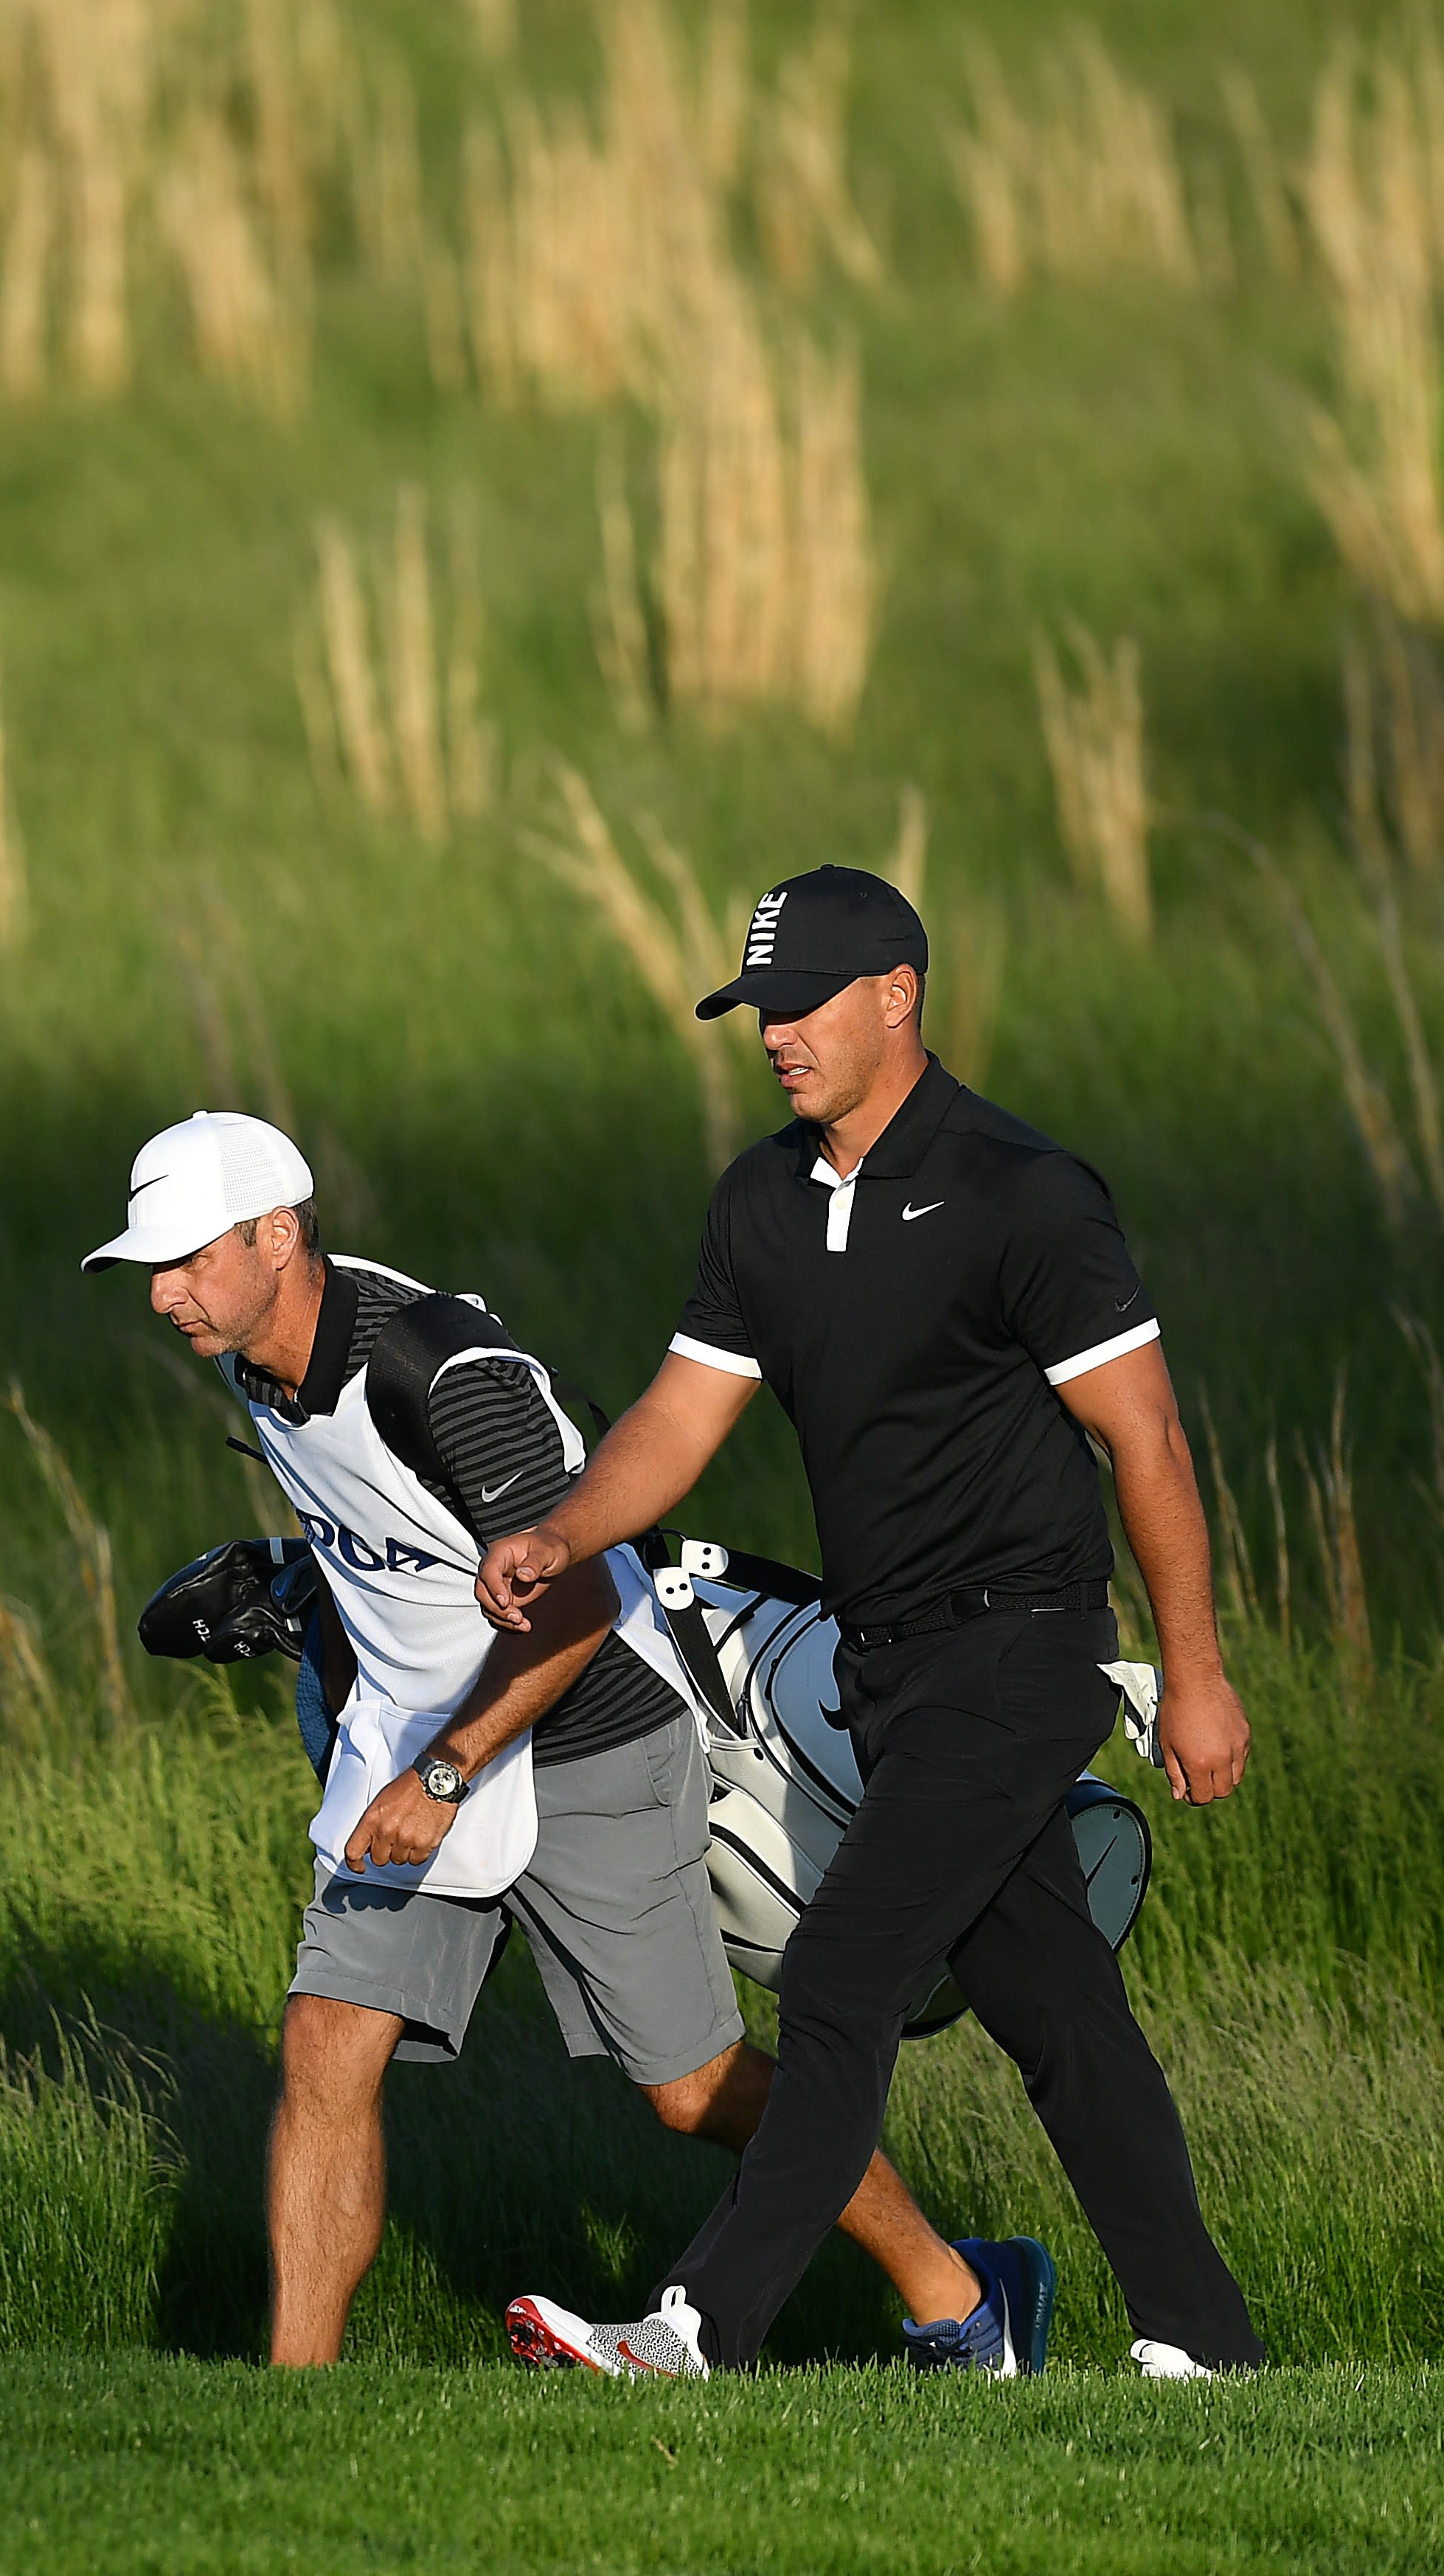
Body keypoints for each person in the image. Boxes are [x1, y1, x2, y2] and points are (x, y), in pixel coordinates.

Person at [86, 1108, 1048, 2372]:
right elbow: (387, 1554)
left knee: (691, 2088)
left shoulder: (439, 1371)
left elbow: (585, 1596)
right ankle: (291, 2400)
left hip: (586, 1728)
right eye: (151, 1267)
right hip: (425, 1744)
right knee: (326, 2041)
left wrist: (443, 1773)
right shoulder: (249, 1364)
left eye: (188, 1260)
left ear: (280, 1237)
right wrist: (316, 1613)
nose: (164, 1295)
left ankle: (962, 2296)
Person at [481, 867, 1268, 2381]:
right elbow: (676, 1416)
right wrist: (568, 1528)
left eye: (801, 1004)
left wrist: (1199, 1675)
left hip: (1021, 1649)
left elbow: (1147, 1441)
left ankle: (695, 2327)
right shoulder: (760, 1201)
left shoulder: (1020, 1190)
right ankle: (1202, 2339)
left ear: (897, 992)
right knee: (1057, 2012)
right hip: (880, 1663)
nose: (774, 1034)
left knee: (841, 1976)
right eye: (756, 1010)